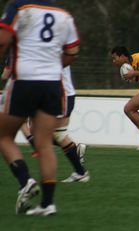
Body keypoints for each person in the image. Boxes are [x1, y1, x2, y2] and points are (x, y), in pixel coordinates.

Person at [0, 0, 80, 216]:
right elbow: (73, 51)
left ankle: (25, 180)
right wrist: (51, 66)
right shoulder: (64, 15)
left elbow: (2, 40)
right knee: (45, 143)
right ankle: (47, 203)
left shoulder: (19, 7)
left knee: (4, 136)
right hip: (52, 84)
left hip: (24, 81)